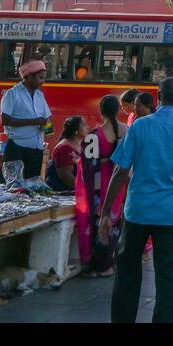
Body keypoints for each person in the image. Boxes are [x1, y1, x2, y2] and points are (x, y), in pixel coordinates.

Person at [99, 77, 173, 323]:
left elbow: (120, 171)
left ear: (158, 96)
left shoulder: (139, 126)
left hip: (137, 211)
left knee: (127, 271)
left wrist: (106, 212)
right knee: (168, 276)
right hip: (171, 214)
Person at [76, 95, 127, 277]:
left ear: (101, 112)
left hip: (100, 183)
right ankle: (110, 262)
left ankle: (100, 263)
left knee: (98, 218)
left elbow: (87, 164)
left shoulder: (94, 135)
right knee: (115, 219)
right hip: (119, 183)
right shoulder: (127, 130)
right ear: (118, 110)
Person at [0, 59, 52, 181]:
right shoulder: (13, 94)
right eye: (40, 78)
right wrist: (34, 121)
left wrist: (48, 127)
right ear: (29, 77)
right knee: (12, 186)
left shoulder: (39, 95)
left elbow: (47, 117)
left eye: (44, 78)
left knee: (32, 186)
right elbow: (5, 120)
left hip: (36, 148)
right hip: (18, 148)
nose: (42, 82)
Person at [45, 116, 85, 192]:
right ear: (76, 131)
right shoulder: (64, 148)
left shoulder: (79, 145)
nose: (87, 127)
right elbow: (66, 176)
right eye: (83, 125)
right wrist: (84, 189)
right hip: (63, 192)